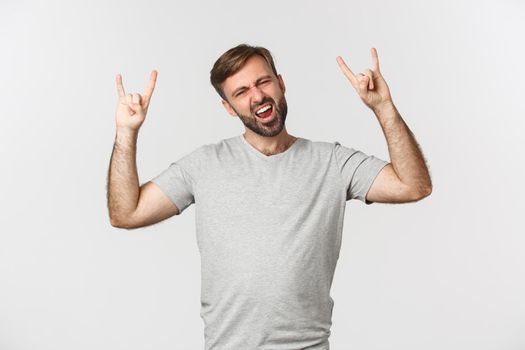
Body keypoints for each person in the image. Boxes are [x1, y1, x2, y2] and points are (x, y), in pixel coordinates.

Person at [107, 43, 432, 350]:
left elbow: (413, 185)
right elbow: (127, 213)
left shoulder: (332, 162)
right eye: (241, 91)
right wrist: (127, 132)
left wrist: (384, 108)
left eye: (263, 82)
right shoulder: (204, 164)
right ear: (228, 107)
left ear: (281, 83)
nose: (257, 95)